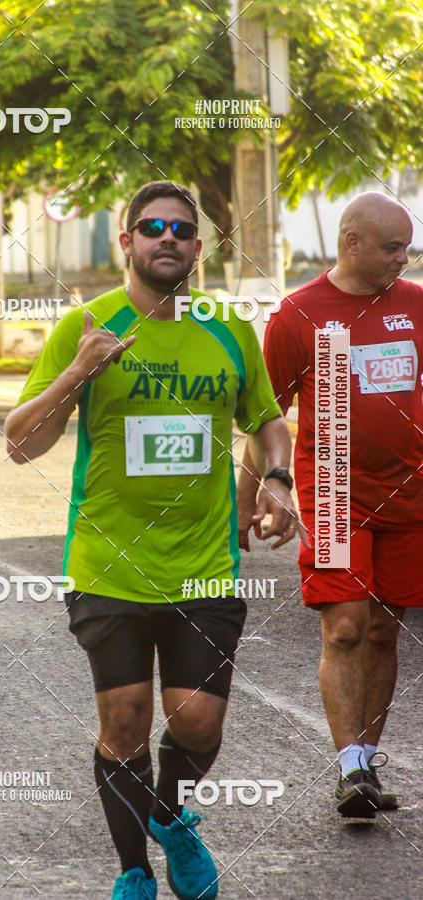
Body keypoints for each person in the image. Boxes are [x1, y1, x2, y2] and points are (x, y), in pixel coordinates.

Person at [5, 180, 302, 900]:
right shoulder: (87, 326)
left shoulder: (226, 327)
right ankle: (133, 871)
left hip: (204, 562)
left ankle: (170, 815)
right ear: (127, 241)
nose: (167, 237)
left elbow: (266, 419)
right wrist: (80, 372)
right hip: (108, 563)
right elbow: (19, 444)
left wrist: (278, 479)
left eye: (181, 229)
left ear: (198, 247)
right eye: (152, 227)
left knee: (197, 722)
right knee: (126, 723)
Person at [238, 191, 423, 819]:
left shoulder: (416, 305)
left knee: (384, 629)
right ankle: (349, 769)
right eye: (392, 248)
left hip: (409, 495)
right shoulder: (299, 315)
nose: (403, 259)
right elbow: (265, 418)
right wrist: (250, 497)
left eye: (407, 248)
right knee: (345, 626)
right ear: (352, 243)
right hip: (335, 491)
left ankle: (366, 762)